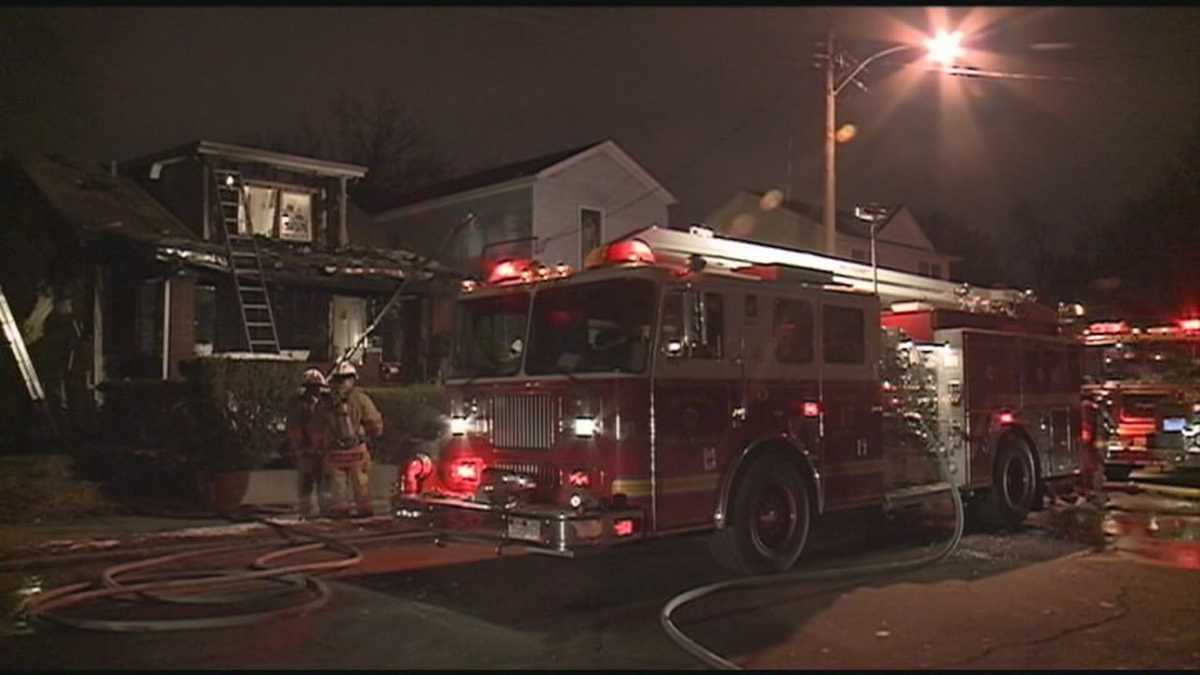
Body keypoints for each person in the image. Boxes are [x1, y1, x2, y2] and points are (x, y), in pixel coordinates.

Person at [322, 361, 384, 518]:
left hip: (335, 452)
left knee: (338, 489)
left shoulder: (326, 402)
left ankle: (341, 515)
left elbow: (316, 427)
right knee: (361, 486)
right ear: (353, 379)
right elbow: (374, 423)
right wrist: (374, 435)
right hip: (357, 451)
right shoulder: (361, 399)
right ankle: (364, 515)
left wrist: (320, 445)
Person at [286, 368, 330, 519]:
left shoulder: (324, 405)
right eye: (313, 387)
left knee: (324, 483)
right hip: (306, 451)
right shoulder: (298, 406)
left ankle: (325, 511)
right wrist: (298, 448)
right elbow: (294, 428)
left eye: (318, 387)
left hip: (322, 452)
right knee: (306, 483)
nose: (316, 391)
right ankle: (306, 512)